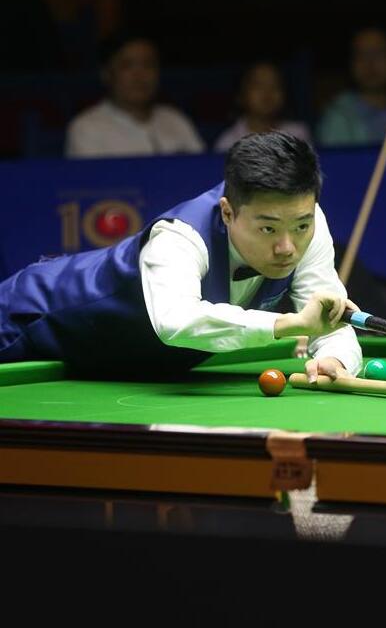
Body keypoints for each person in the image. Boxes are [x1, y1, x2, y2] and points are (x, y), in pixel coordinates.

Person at [1, 132, 360, 381]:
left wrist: (334, 359)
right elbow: (176, 321)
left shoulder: (305, 222)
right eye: (268, 229)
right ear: (227, 212)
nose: (287, 246)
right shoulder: (177, 237)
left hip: (108, 360)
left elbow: (329, 319)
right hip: (24, 320)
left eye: (301, 225)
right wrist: (291, 324)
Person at [65, 35, 205, 158]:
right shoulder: (87, 128)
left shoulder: (176, 120)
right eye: (127, 65)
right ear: (106, 73)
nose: (139, 76)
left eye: (148, 65)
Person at [214, 62, 311, 152]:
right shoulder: (228, 142)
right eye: (258, 85)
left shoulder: (299, 134)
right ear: (240, 95)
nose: (267, 92)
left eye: (275, 85)